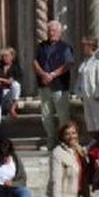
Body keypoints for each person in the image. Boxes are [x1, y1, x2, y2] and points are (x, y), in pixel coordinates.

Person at [33, 21, 74, 150]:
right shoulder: (41, 46)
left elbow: (68, 64)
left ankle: (65, 142)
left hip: (60, 86)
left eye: (54, 31)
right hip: (44, 85)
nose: (52, 33)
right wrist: (43, 74)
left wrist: (53, 74)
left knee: (63, 115)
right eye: (50, 30)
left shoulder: (65, 47)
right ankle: (51, 140)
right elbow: (35, 61)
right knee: (46, 115)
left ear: (60, 32)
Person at [74, 37, 99, 135]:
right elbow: (81, 78)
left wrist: (98, 94)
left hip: (95, 94)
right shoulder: (86, 61)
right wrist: (79, 93)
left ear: (90, 47)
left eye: (85, 46)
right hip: (86, 94)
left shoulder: (98, 59)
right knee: (89, 118)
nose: (83, 49)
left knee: (97, 117)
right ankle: (92, 138)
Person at [0, 47, 22, 148]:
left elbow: (16, 81)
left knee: (16, 85)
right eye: (2, 56)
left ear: (12, 57)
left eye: (6, 56)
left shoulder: (16, 68)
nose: (4, 58)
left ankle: (13, 107)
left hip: (10, 94)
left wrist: (3, 80)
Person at [48, 122, 86, 197]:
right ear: (62, 136)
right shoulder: (58, 153)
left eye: (73, 133)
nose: (71, 136)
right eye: (67, 134)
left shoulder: (80, 151)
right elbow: (56, 181)